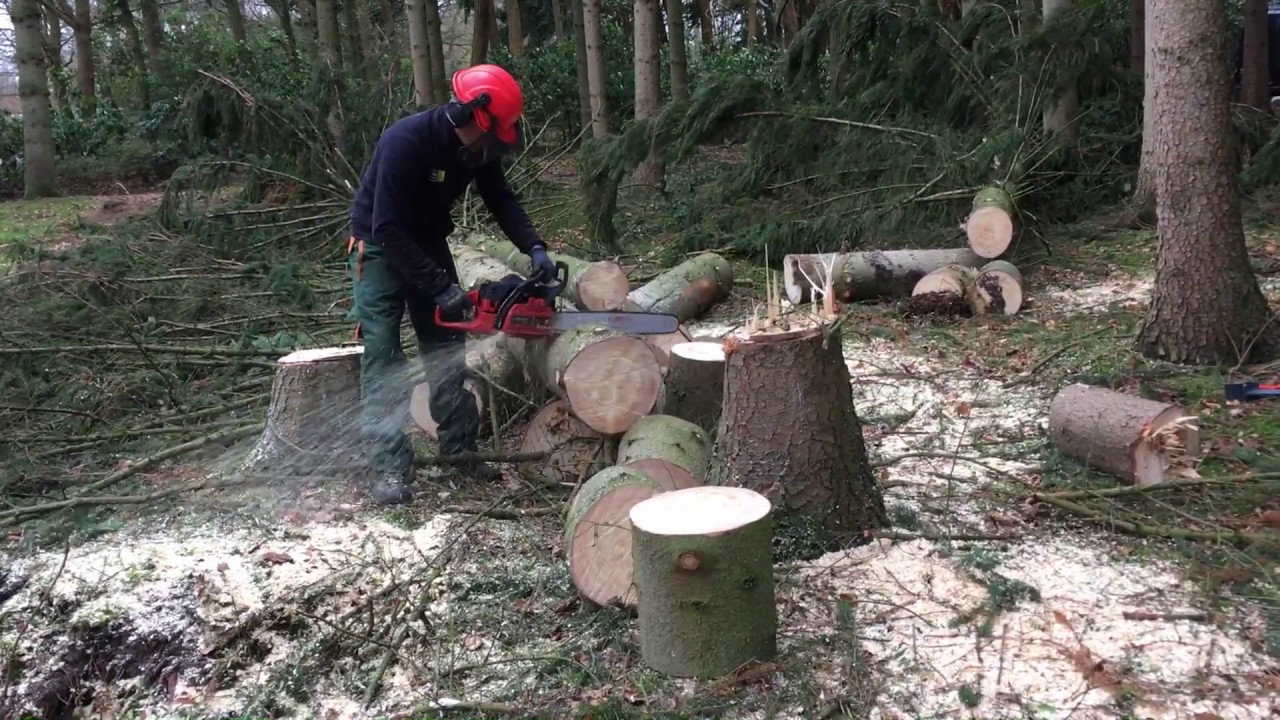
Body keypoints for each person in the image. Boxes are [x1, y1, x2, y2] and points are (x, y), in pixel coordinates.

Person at [346, 63, 556, 505]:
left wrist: (534, 247)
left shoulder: (476, 150)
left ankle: (460, 453)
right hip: (380, 246)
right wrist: (440, 287)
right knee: (383, 350)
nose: (500, 144)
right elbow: (387, 228)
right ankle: (389, 468)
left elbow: (500, 198)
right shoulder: (405, 142)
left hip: (427, 240)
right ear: (478, 119)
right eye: (498, 133)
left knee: (445, 346)